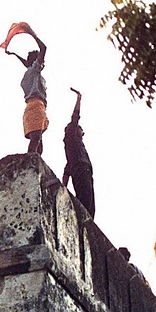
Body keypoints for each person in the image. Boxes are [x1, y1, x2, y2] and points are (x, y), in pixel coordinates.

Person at [5, 25, 48, 154]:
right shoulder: (34, 71)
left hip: (33, 107)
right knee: (36, 139)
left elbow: (27, 63)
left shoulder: (29, 73)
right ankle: (29, 162)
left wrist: (15, 54)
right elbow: (44, 48)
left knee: (38, 141)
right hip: (36, 106)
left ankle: (35, 163)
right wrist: (32, 34)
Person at [62, 88, 95, 218]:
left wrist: (63, 187)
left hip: (85, 172)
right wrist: (79, 100)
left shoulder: (75, 148)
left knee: (90, 206)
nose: (83, 132)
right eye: (81, 129)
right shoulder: (71, 138)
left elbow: (67, 169)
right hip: (81, 171)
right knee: (85, 201)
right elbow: (75, 117)